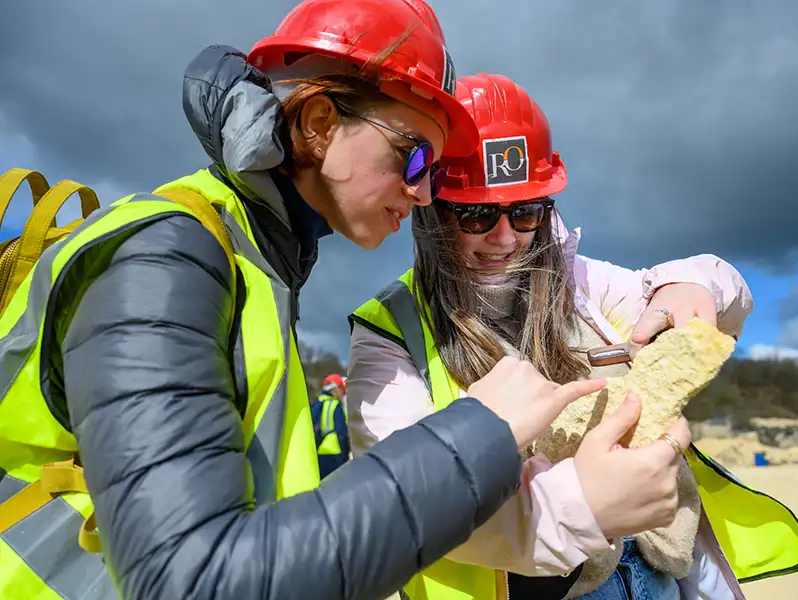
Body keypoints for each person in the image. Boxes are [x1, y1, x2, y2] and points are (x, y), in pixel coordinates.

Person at [0, 4, 616, 599]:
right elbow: (192, 582)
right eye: (416, 156)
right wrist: (479, 432)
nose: (426, 194)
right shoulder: (166, 258)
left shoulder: (260, 262)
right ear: (319, 123)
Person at [348, 73, 798, 600]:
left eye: (526, 212)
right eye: (475, 214)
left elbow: (709, 287)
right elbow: (407, 505)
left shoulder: (583, 285)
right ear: (429, 210)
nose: (505, 237)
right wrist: (583, 508)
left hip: (661, 571)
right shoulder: (389, 333)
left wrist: (694, 284)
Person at [311, 373, 351, 477]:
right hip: (335, 453)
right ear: (334, 389)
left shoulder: (315, 404)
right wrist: (345, 454)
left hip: (318, 453)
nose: (343, 394)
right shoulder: (335, 406)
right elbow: (341, 433)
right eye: (341, 389)